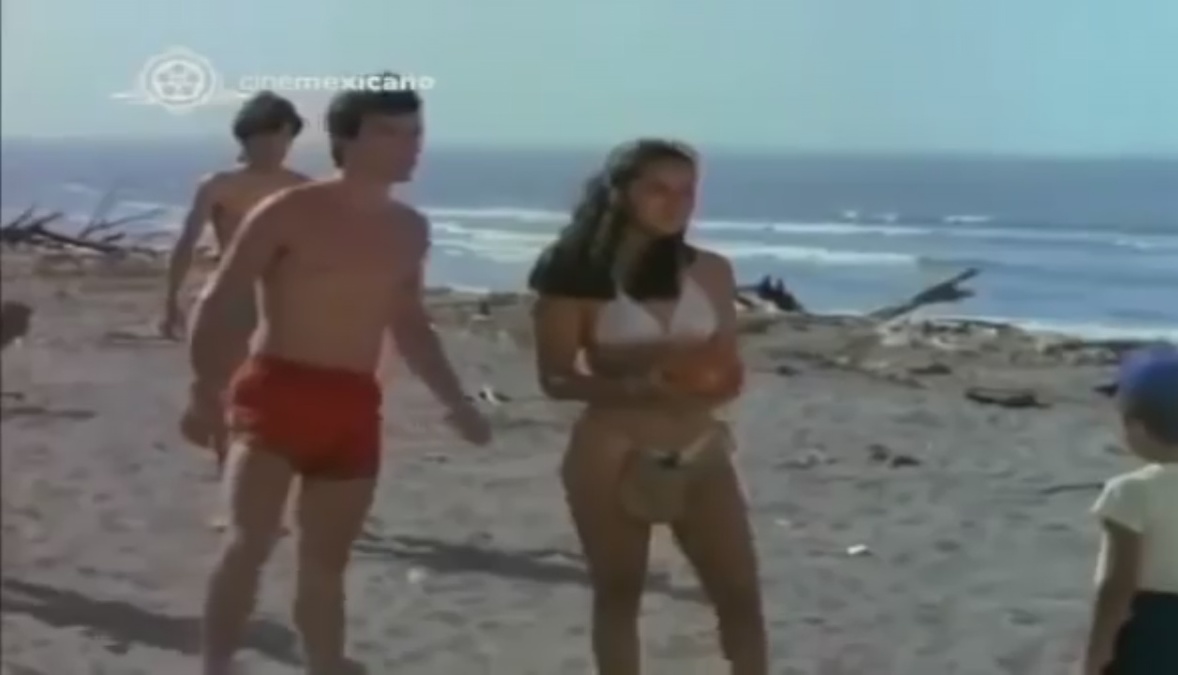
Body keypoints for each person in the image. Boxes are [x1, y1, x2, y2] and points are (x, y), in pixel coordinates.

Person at [183, 79, 492, 675]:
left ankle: (323, 664)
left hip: (352, 405)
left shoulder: (409, 228)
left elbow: (409, 322)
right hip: (277, 392)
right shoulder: (289, 211)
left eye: (415, 133)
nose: (409, 146)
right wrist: (203, 386)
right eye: (389, 132)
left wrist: (456, 402)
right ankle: (217, 665)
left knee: (325, 562)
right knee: (250, 544)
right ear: (346, 140)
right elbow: (222, 297)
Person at [528, 139, 767, 675]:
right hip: (613, 451)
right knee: (619, 594)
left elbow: (727, 367)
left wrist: (713, 386)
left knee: (739, 593)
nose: (675, 203)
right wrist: (640, 387)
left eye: (686, 191)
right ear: (620, 193)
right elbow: (556, 378)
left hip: (699, 448)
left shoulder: (712, 271)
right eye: (658, 189)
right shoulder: (577, 275)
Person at [163, 91, 309, 480]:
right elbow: (187, 242)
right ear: (247, 138)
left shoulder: (302, 189)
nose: (275, 147)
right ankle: (226, 466)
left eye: (284, 138)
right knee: (224, 390)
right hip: (228, 297)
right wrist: (171, 300)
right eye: (267, 137)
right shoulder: (219, 185)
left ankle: (255, 467)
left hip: (279, 301)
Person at [1080, 348, 1178, 675]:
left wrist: (1095, 657)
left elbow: (1117, 584)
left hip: (1152, 634)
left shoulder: (1130, 491)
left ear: (1137, 428)